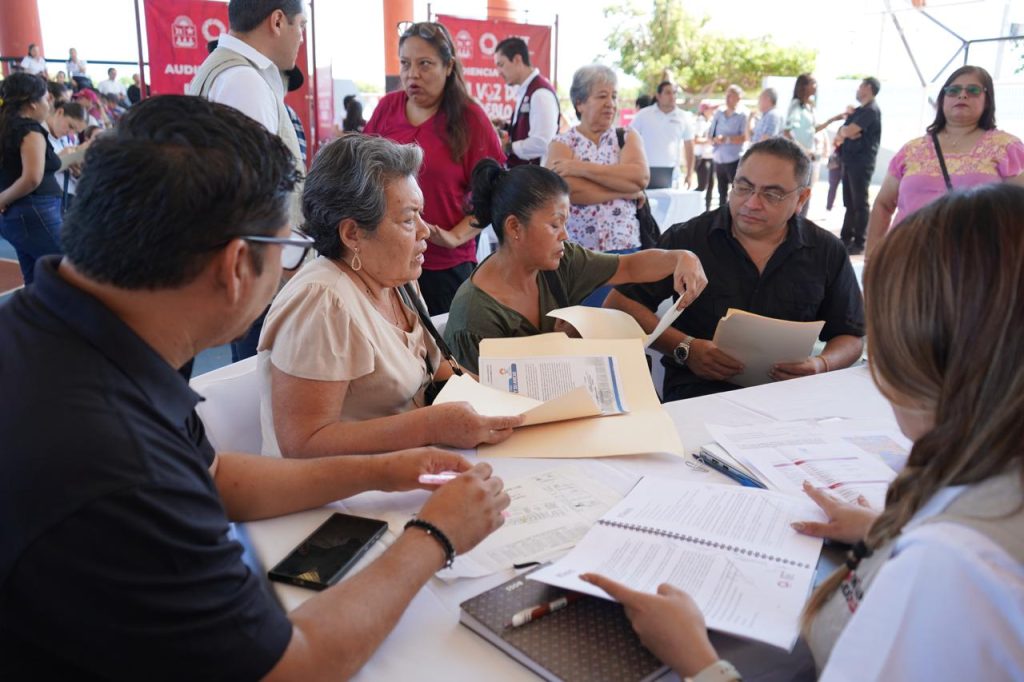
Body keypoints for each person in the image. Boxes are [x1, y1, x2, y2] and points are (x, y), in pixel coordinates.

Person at [0, 94, 511, 680]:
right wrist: (435, 536)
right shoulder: (118, 464)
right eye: (286, 249)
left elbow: (214, 475)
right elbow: (292, 665)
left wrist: (384, 469)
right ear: (237, 264)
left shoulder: (62, 332)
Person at [584, 183, 1024, 681]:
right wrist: (887, 530)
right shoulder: (983, 491)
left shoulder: (952, 569)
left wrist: (696, 660)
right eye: (743, 187)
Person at [259, 134, 523, 458]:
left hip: (403, 465)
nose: (425, 230)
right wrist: (431, 426)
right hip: (345, 485)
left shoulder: (394, 279)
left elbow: (434, 365)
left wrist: (509, 399)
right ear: (353, 233)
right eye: (409, 219)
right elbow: (303, 443)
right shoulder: (321, 303)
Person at [605, 137, 865, 401]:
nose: (751, 203)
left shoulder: (825, 251)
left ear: (801, 198)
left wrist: (821, 364)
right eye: (743, 187)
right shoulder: (688, 239)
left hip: (788, 396)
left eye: (772, 194)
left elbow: (851, 335)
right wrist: (685, 348)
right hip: (699, 394)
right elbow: (619, 304)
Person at [444, 159, 708, 373]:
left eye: (565, 223)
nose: (565, 235)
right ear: (514, 227)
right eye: (555, 224)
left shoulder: (561, 261)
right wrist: (556, 348)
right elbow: (486, 402)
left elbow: (629, 266)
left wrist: (681, 257)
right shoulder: (476, 315)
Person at [190, 0, 308, 361]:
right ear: (277, 22)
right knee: (265, 375)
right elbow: (255, 196)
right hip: (261, 273)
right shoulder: (244, 82)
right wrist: (291, 266)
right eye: (300, 26)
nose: (301, 38)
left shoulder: (228, 71)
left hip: (253, 268)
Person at [365, 22, 504, 315]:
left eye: (425, 64)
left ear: (449, 66)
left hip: (445, 268)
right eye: (405, 63)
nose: (412, 74)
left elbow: (496, 192)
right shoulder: (387, 108)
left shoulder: (471, 119)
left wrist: (456, 236)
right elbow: (361, 172)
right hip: (385, 262)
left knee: (442, 341)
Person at [865, 65, 1024, 260]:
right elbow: (883, 205)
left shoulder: (1007, 147)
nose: (962, 95)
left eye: (973, 90)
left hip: (975, 263)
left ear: (988, 100)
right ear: (942, 99)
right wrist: (872, 259)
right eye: (953, 90)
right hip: (907, 261)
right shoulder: (912, 150)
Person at [546, 64, 648, 257]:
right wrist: (626, 191)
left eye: (614, 96)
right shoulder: (561, 143)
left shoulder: (627, 136)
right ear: (580, 103)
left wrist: (580, 168)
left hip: (625, 245)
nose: (611, 103)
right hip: (577, 251)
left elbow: (639, 178)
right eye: (602, 96)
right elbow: (569, 192)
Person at [0, 73, 63, 285]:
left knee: (35, 281)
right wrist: (2, 199)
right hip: (35, 211)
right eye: (46, 98)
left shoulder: (7, 128)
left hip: (18, 216)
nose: (49, 103)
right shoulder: (30, 130)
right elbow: (32, 178)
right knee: (72, 271)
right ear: (33, 104)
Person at [784, 74, 846, 218]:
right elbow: (787, 132)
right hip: (798, 157)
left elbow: (813, 129)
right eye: (813, 83)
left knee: (806, 194)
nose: (815, 86)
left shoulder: (809, 107)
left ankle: (800, 222)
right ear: (804, 86)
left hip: (808, 157)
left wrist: (833, 120)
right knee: (798, 193)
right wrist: (804, 150)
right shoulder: (796, 105)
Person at [492, 37, 560, 168]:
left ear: (517, 59)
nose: (499, 72)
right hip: (523, 173)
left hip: (534, 176)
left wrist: (508, 147)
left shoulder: (540, 94)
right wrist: (506, 126)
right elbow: (531, 128)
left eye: (501, 64)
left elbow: (542, 143)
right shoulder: (527, 90)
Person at [836, 77, 882, 255]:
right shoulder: (859, 111)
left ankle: (859, 241)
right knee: (849, 202)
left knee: (859, 203)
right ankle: (845, 238)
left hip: (861, 163)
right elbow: (843, 132)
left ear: (868, 88)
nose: (858, 89)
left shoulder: (871, 111)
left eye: (861, 86)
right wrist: (846, 132)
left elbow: (848, 131)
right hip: (849, 161)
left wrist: (847, 132)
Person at [629, 80, 695, 189]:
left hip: (673, 178)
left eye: (674, 93)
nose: (672, 96)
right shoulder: (643, 115)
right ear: (658, 96)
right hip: (645, 175)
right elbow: (628, 138)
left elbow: (689, 146)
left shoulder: (684, 117)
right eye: (668, 93)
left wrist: (689, 174)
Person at [708, 85, 747, 208]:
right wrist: (714, 139)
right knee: (721, 193)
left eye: (731, 96)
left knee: (736, 192)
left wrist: (726, 139)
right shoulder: (718, 114)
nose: (727, 98)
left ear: (738, 98)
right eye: (727, 95)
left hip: (733, 160)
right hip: (718, 159)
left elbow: (744, 137)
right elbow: (711, 134)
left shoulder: (742, 115)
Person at [693, 102, 715, 210]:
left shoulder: (710, 121)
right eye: (710, 109)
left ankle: (707, 209)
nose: (712, 111)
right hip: (702, 157)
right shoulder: (700, 122)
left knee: (710, 185)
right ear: (704, 110)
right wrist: (710, 140)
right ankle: (697, 208)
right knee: (702, 186)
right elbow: (696, 139)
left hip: (710, 156)